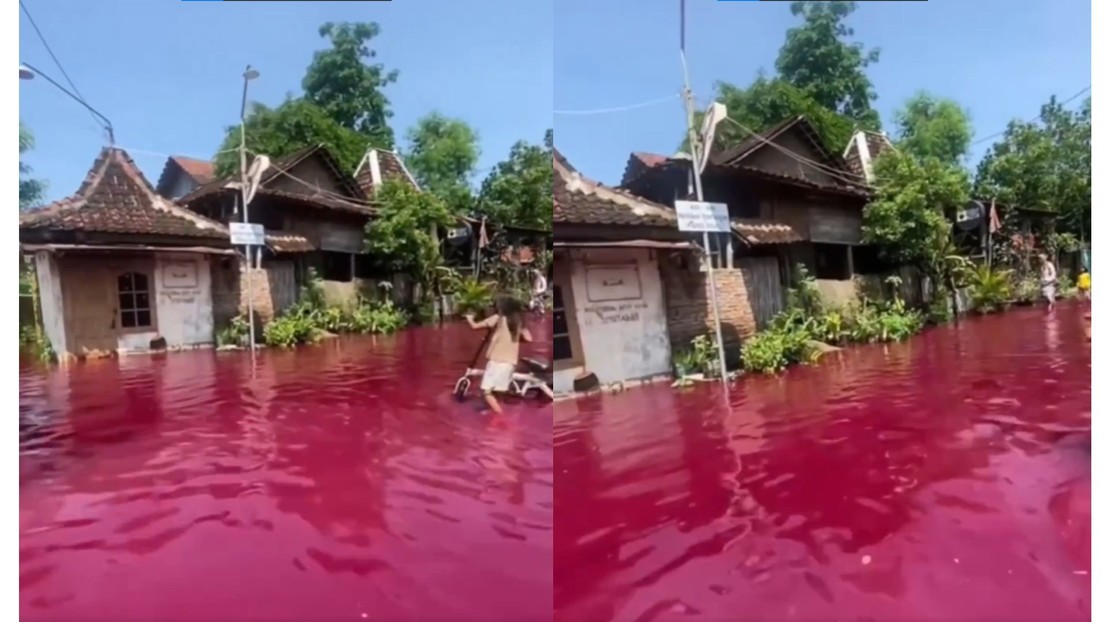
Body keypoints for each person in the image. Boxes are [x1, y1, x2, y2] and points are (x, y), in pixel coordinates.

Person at [465, 296, 532, 414]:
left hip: (497, 361)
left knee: (486, 392)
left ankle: (500, 416)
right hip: (510, 363)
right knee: (499, 393)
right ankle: (495, 410)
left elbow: (474, 326)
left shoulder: (498, 319)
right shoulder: (518, 322)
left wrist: (469, 318)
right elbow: (529, 339)